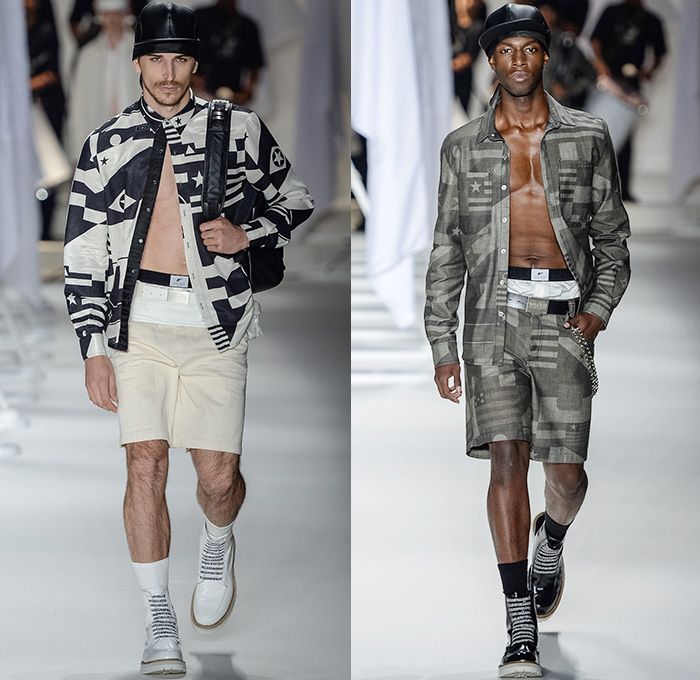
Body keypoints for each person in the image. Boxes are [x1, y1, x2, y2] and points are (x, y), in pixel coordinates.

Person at [63, 1, 314, 675]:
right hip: (136, 326)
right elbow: (83, 250)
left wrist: (246, 233)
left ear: (194, 63)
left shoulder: (239, 128)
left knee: (218, 478)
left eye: (180, 60)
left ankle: (218, 536)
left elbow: (296, 198)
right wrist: (92, 349)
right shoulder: (106, 142)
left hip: (216, 326)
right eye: (157, 59)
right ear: (138, 62)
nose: (169, 73)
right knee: (144, 463)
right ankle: (158, 618)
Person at [424, 4, 630, 677]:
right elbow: (446, 249)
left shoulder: (589, 136)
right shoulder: (462, 146)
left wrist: (595, 313)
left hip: (564, 320)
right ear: (491, 59)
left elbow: (613, 239)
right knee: (506, 461)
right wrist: (442, 343)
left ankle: (553, 539)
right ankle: (519, 626)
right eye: (505, 50)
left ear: (545, 55)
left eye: (529, 49)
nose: (518, 61)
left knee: (565, 475)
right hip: (492, 320)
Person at [590, 0, 667, 201]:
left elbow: (660, 52)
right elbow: (595, 39)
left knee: (624, 141)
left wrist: (649, 72)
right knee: (595, 134)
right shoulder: (612, 12)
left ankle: (621, 189)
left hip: (631, 87)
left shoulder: (651, 20)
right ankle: (590, 188)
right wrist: (600, 65)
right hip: (607, 82)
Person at [67, 0, 141, 161]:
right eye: (107, 14)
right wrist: (79, 152)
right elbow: (78, 106)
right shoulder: (88, 55)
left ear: (126, 13)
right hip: (100, 143)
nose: (112, 20)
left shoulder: (142, 52)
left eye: (117, 14)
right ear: (100, 15)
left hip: (137, 140)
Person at [25, 0, 66, 240]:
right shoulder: (11, 32)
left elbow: (51, 73)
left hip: (43, 113)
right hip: (19, 115)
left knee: (48, 173)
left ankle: (43, 230)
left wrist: (24, 87)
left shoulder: (46, 32)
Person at [193, 0, 265, 104]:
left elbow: (255, 65)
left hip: (232, 94)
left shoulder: (248, 26)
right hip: (200, 91)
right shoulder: (200, 17)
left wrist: (247, 92)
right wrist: (192, 78)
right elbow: (183, 50)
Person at [449, 0, 487, 117]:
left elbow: (466, 59)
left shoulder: (477, 29)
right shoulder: (448, 23)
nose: (462, 3)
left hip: (462, 86)